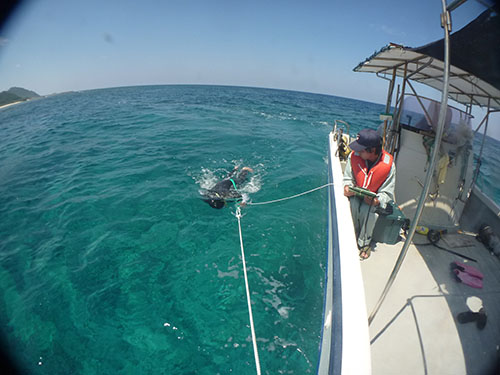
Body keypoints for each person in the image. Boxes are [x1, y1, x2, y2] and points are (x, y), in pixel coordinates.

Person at [343, 129, 396, 259]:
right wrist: (347, 187)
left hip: (373, 200)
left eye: (361, 149)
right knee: (353, 206)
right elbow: (348, 178)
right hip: (356, 194)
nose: (357, 152)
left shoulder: (389, 165)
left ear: (372, 151)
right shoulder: (353, 157)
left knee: (367, 210)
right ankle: (351, 237)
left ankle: (364, 243)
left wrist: (377, 200)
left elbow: (387, 192)